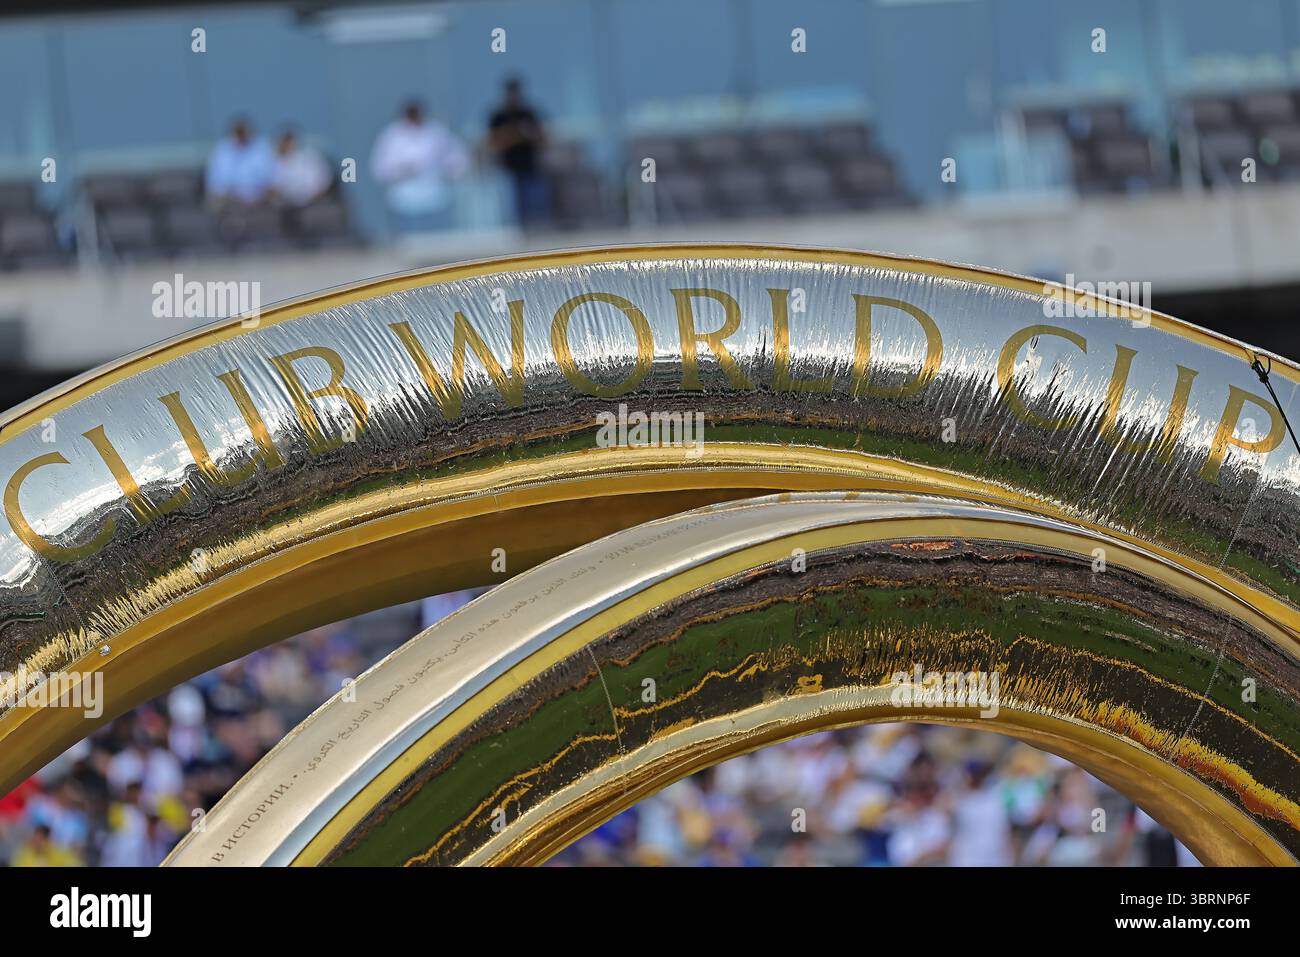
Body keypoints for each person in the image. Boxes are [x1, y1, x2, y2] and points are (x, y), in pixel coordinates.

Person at [371, 100, 470, 232]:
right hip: (404, 201)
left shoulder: (436, 132)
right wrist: (402, 170)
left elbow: (458, 158)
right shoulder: (391, 136)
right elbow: (379, 169)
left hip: (436, 197)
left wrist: (448, 172)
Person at [486, 77, 550, 228]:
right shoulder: (498, 116)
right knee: (513, 210)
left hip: (530, 167)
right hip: (508, 169)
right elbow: (493, 142)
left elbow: (543, 137)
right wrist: (515, 134)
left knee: (536, 206)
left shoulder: (528, 113)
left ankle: (537, 230)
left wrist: (529, 134)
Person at [205, 117, 276, 207]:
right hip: (229, 202)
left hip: (260, 201)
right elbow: (215, 183)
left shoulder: (261, 148)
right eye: (239, 133)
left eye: (244, 132)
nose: (242, 136)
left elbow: (270, 177)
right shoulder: (222, 150)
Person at [269, 128, 332, 207]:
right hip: (286, 206)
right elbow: (274, 190)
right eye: (282, 143)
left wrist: (316, 195)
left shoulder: (309, 156)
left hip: (313, 203)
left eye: (287, 142)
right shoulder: (275, 162)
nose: (284, 145)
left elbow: (324, 179)